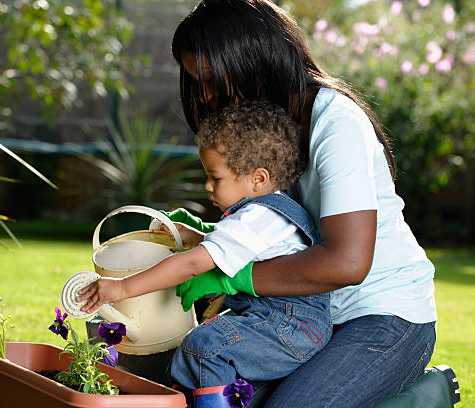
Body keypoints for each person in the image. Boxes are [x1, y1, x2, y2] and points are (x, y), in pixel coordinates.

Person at [167, 0, 437, 407]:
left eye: (210, 78)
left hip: (383, 315)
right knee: (197, 387)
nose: (204, 94)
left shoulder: (335, 123)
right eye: (195, 81)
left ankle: (423, 397)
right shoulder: (262, 129)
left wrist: (231, 276)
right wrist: (207, 240)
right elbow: (278, 232)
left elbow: (347, 262)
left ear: (254, 61)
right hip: (299, 318)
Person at [78, 99, 331, 407]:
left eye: (216, 178)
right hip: (287, 325)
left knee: (206, 346)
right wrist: (198, 235)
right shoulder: (267, 212)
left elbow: (193, 263)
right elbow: (233, 247)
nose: (207, 186)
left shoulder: (255, 218)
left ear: (258, 178)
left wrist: (121, 287)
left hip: (289, 327)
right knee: (200, 349)